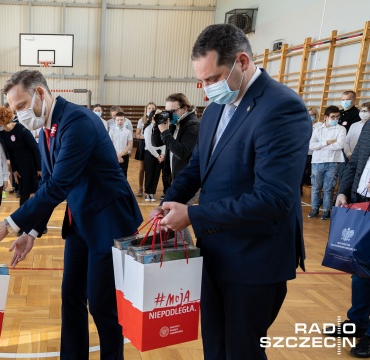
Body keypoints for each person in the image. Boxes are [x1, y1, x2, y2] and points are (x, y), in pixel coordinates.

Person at [151, 24, 310, 360]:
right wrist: (171, 200)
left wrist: (192, 214)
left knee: (242, 350)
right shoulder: (217, 109)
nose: (207, 90)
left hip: (255, 257)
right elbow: (197, 167)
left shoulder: (281, 108)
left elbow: (274, 199)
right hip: (216, 250)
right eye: (202, 81)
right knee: (216, 345)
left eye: (213, 78)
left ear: (241, 61)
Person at [0, 70, 142, 359]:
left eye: (21, 106)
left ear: (40, 93)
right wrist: (30, 232)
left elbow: (57, 186)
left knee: (102, 304)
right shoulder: (46, 127)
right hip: (80, 218)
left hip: (109, 220)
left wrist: (8, 224)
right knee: (71, 295)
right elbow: (47, 182)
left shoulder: (78, 122)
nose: (19, 115)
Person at [334, 119, 370, 358]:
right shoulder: (369, 125)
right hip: (362, 201)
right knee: (360, 270)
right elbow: (355, 160)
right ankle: (356, 322)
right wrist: (343, 191)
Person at [0, 104, 41, 209]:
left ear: (1, 119)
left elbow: (35, 149)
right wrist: (14, 170)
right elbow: (10, 152)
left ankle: (39, 222)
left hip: (31, 165)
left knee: (37, 192)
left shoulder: (21, 129)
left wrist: (39, 168)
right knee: (23, 193)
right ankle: (22, 219)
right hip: (20, 167)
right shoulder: (3, 133)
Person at [308, 105, 346, 220]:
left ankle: (326, 210)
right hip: (317, 161)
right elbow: (311, 145)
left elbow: (339, 145)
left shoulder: (341, 129)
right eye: (333, 117)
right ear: (326, 117)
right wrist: (327, 142)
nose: (335, 119)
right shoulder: (318, 129)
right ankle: (314, 209)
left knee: (329, 188)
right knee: (316, 187)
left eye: (337, 117)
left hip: (333, 162)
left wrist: (320, 146)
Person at [158, 93, 200, 183]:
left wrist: (165, 133)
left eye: (172, 111)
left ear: (184, 108)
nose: (169, 115)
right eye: (167, 111)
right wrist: (157, 125)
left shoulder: (193, 125)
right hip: (176, 177)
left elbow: (182, 153)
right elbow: (156, 143)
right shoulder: (176, 122)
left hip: (187, 181)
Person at [134, 103, 156, 197]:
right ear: (146, 109)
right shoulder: (141, 120)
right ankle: (140, 187)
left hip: (154, 145)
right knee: (142, 168)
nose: (150, 109)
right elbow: (136, 135)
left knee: (151, 168)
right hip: (143, 144)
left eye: (153, 108)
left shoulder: (157, 120)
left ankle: (149, 189)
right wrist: (145, 137)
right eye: (149, 108)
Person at [143, 115, 165, 202]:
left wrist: (162, 154)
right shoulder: (148, 129)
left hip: (160, 154)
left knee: (156, 174)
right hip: (150, 153)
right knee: (149, 173)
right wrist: (157, 156)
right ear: (152, 118)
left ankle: (152, 192)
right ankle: (147, 192)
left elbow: (164, 142)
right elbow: (148, 144)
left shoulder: (161, 128)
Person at [109, 112, 133, 178]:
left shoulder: (128, 132)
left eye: (121, 120)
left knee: (124, 173)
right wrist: (117, 155)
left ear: (124, 120)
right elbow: (110, 144)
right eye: (118, 120)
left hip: (124, 156)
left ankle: (123, 188)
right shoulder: (112, 131)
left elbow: (129, 145)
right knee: (114, 173)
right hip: (114, 156)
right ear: (115, 121)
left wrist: (121, 154)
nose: (120, 121)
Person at [303, 107, 323, 188]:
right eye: (308, 114)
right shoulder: (304, 124)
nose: (310, 116)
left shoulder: (320, 125)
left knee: (312, 173)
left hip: (315, 153)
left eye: (312, 115)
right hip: (304, 152)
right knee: (302, 172)